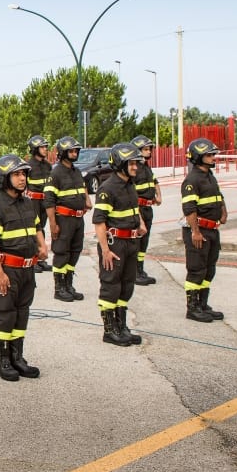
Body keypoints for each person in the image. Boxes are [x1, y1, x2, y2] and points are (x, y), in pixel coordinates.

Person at [0, 154, 47, 381]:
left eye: (24, 174)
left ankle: (17, 357)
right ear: (4, 178)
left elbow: (37, 225)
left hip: (27, 270)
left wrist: (42, 245)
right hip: (8, 270)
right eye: (17, 174)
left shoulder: (27, 203)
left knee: (21, 313)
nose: (22, 179)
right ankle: (2, 361)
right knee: (4, 315)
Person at [92, 143, 147, 347]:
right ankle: (109, 330)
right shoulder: (107, 188)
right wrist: (105, 250)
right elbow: (99, 222)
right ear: (121, 164)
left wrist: (140, 223)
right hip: (115, 245)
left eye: (136, 163)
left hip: (132, 241)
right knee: (111, 286)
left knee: (126, 285)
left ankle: (121, 326)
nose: (136, 167)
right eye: (131, 163)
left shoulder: (130, 185)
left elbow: (134, 208)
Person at [181, 138, 228, 322]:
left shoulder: (209, 176)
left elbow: (218, 196)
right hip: (199, 232)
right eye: (208, 155)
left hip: (212, 231)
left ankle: (203, 304)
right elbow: (189, 209)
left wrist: (223, 212)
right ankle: (192, 308)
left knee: (209, 270)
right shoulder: (192, 180)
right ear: (198, 157)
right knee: (196, 270)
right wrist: (195, 232)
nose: (212, 157)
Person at [44, 136, 90, 303]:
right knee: (62, 252)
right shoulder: (55, 173)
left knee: (75, 251)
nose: (74, 153)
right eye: (71, 151)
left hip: (78, 220)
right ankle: (59, 287)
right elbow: (49, 200)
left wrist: (86, 200)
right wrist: (53, 223)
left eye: (76, 151)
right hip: (63, 219)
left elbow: (83, 188)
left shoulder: (76, 171)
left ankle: (69, 284)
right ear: (62, 153)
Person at [131, 135, 162, 286]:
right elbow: (132, 195)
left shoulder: (146, 167)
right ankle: (134, 272)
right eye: (145, 149)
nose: (149, 151)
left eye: (149, 149)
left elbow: (155, 181)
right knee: (137, 241)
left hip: (148, 207)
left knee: (144, 242)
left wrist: (158, 195)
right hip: (139, 209)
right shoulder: (134, 169)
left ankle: (140, 269)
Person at [25, 135, 54, 273]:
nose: (45, 150)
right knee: (34, 230)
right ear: (35, 149)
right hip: (33, 202)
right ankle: (34, 259)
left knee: (41, 228)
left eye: (46, 147)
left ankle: (41, 259)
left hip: (45, 201)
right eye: (42, 147)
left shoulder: (48, 165)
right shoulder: (28, 167)